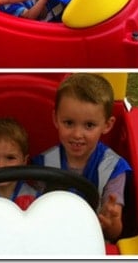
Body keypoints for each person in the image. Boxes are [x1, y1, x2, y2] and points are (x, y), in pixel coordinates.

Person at [32, 73, 132, 242]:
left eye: (89, 125)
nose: (77, 134)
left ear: (107, 125)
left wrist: (111, 223)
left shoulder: (114, 169)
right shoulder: (42, 163)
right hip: (50, 241)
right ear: (56, 119)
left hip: (93, 243)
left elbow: (114, 233)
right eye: (69, 123)